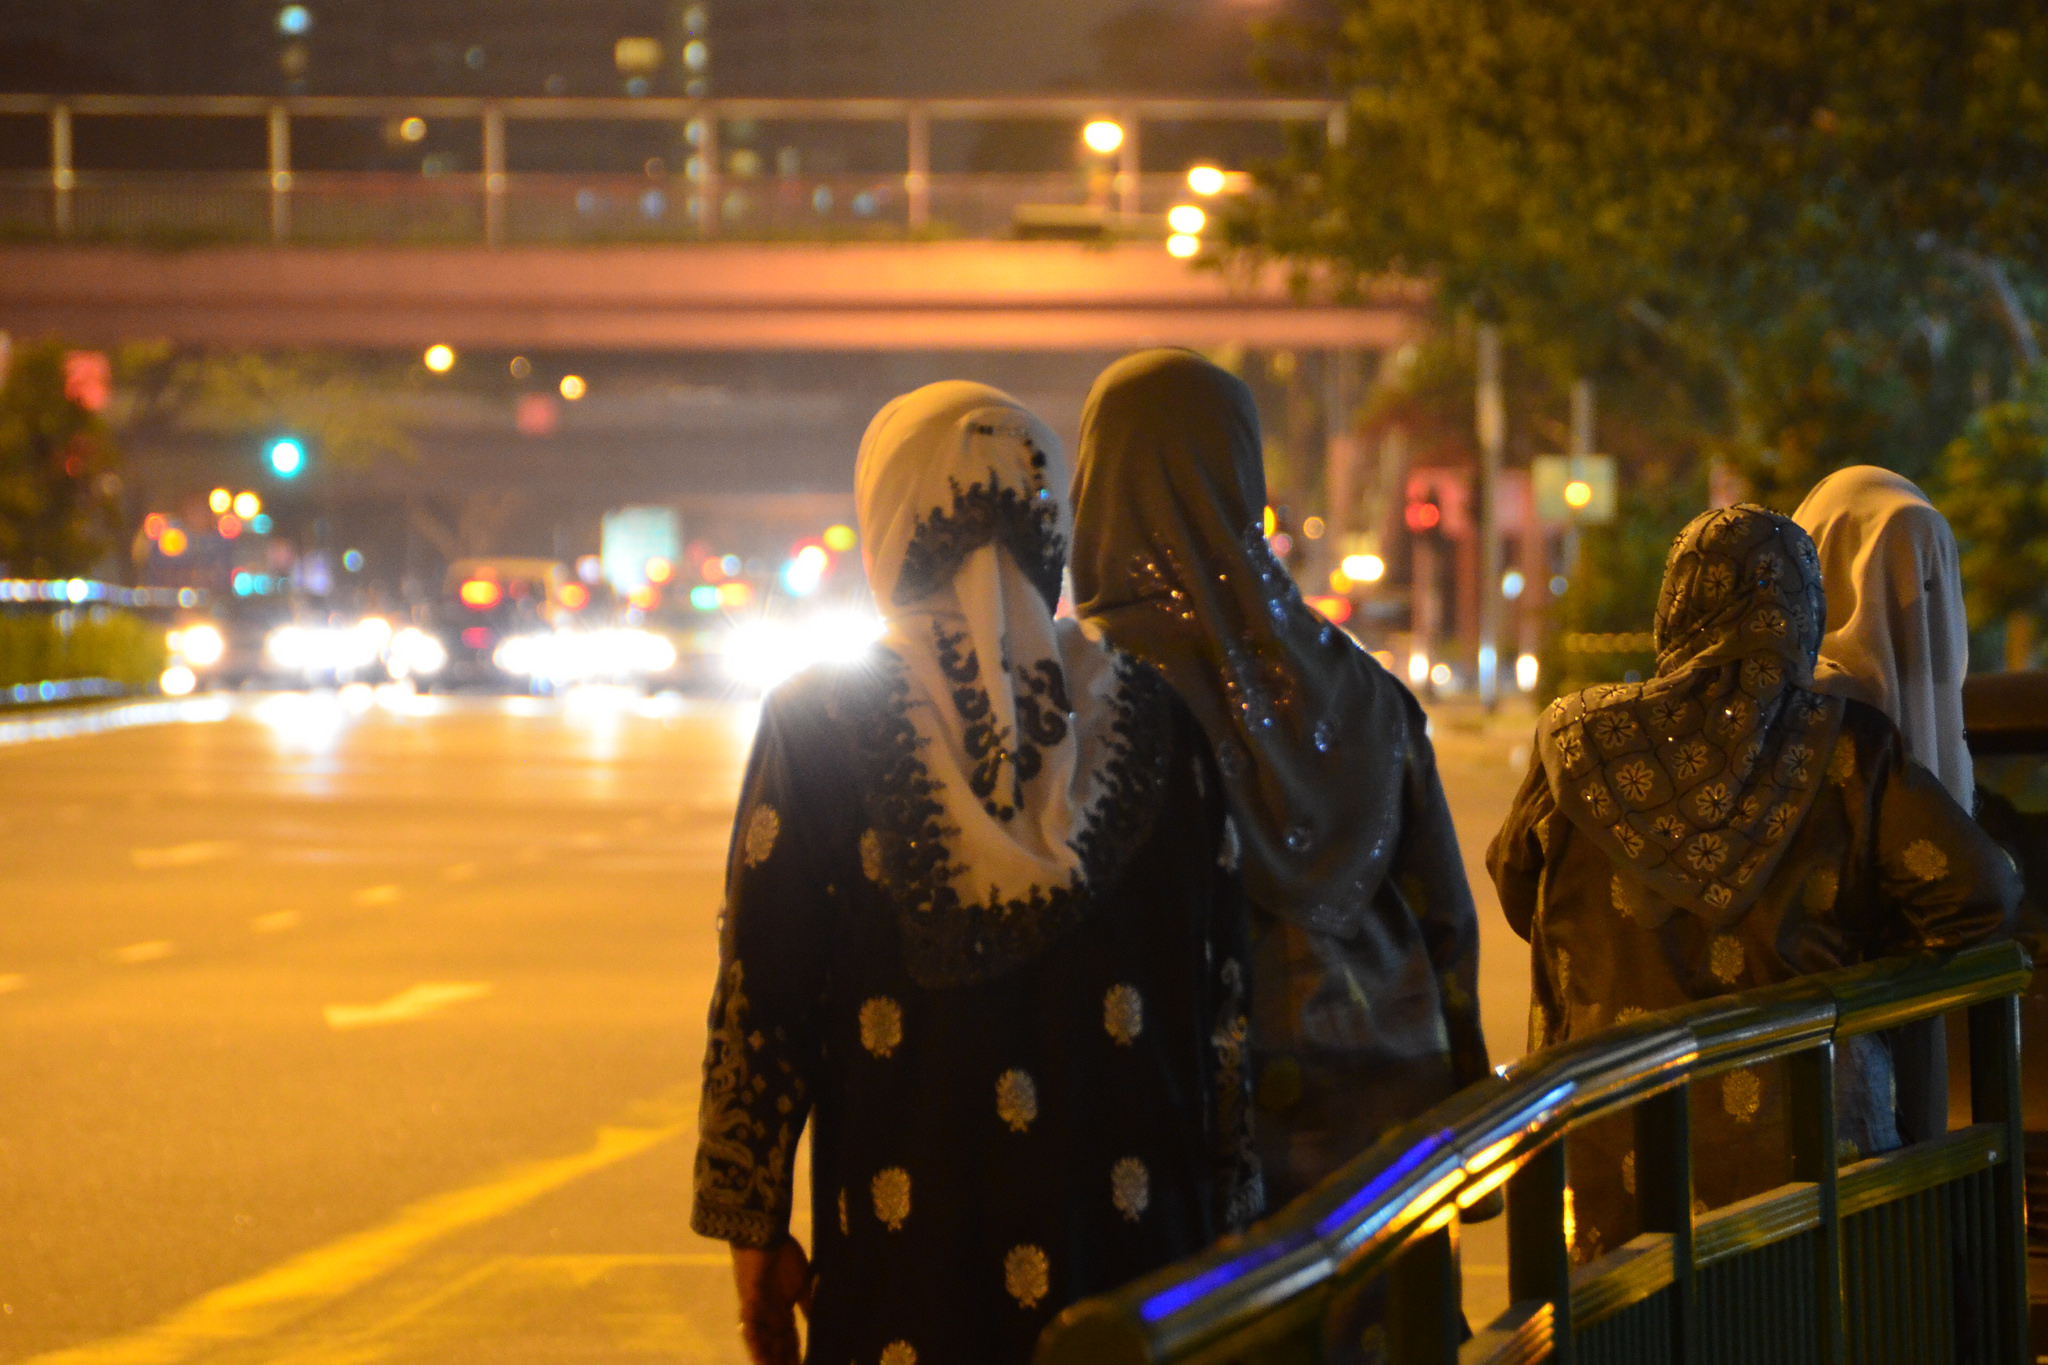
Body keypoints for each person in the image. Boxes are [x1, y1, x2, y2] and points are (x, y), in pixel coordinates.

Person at [690, 381, 1261, 1365]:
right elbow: (1225, 1003)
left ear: (889, 525)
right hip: (1138, 1254)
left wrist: (754, 1227)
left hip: (908, 1263)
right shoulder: (1155, 719)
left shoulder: (817, 722)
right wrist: (1235, 1218)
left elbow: (762, 994)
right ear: (1051, 534)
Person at [1487, 504, 2018, 1265]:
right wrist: (1864, 949)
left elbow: (1516, 884)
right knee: (1804, 1312)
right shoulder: (1849, 749)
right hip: (1810, 1150)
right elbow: (1982, 894)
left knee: (1635, 1313)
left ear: (1678, 606)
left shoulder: (1577, 741)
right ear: (1804, 612)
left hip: (1623, 1131)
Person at [1068, 349, 1490, 1211]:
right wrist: (1467, 1124)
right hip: (1373, 1139)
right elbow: (1443, 918)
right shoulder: (1359, 685)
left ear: (1097, 484)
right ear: (1242, 475)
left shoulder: (1069, 691)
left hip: (1155, 1151)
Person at [1794, 465, 1975, 1146]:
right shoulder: (1833, 723)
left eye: (1927, 581)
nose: (1916, 610)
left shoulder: (1776, 707)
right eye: (1897, 578)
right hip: (1823, 1065)